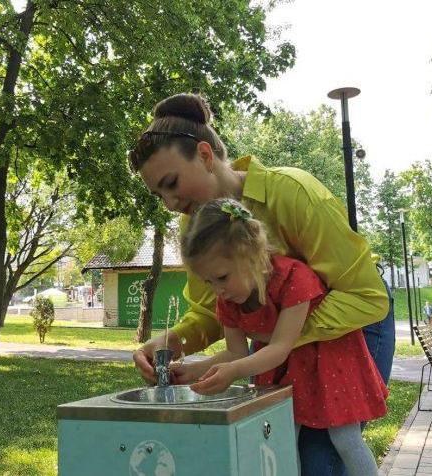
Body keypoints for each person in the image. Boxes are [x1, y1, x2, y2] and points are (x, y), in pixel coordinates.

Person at [129, 93, 395, 475]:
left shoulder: (293, 193)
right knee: (278, 446)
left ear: (204, 155)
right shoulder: (193, 227)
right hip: (280, 343)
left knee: (320, 460)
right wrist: (173, 343)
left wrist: (276, 334)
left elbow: (365, 297)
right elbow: (214, 310)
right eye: (159, 195)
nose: (170, 203)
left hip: (351, 325)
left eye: (172, 183)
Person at [178, 199, 387, 475]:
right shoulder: (228, 300)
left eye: (222, 277)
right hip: (283, 368)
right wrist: (193, 370)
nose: (218, 290)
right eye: (209, 282)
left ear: (250, 255)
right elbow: (235, 352)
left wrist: (234, 371)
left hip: (329, 362)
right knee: (283, 440)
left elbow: (279, 346)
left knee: (345, 439)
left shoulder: (292, 278)